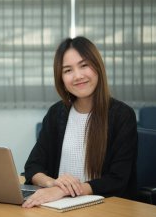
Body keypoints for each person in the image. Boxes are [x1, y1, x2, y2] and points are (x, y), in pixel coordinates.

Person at [22, 36, 137, 208]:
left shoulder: (121, 115)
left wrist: (66, 190)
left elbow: (118, 180)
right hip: (58, 207)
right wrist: (51, 184)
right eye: (68, 70)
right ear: (61, 78)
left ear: (97, 67)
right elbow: (33, 166)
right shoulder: (56, 113)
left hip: (105, 207)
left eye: (84, 65)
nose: (78, 76)